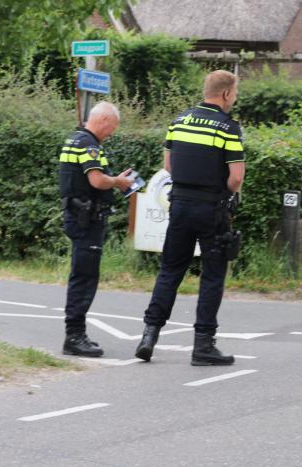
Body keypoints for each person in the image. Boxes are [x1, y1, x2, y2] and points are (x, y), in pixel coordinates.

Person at [135, 70, 245, 365]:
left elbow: (169, 167)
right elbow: (236, 178)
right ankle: (203, 345)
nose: (234, 98)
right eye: (234, 93)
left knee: (170, 270)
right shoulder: (228, 127)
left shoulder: (179, 121)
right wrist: (221, 191)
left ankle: (149, 335)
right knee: (212, 274)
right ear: (225, 94)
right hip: (212, 209)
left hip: (180, 206)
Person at [59, 101, 134, 357]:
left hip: (79, 216)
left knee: (82, 275)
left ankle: (76, 334)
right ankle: (74, 336)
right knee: (84, 278)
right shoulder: (88, 145)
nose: (111, 133)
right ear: (103, 120)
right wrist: (119, 182)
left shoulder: (75, 140)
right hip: (86, 220)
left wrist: (115, 179)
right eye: (112, 127)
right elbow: (97, 180)